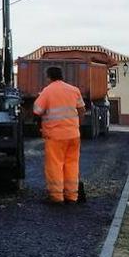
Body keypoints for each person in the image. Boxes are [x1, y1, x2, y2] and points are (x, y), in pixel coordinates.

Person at [32, 66, 87, 204]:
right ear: (62, 76)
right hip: (73, 135)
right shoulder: (74, 90)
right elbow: (82, 110)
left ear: (49, 77)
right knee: (72, 164)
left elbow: (37, 111)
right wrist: (77, 126)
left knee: (55, 164)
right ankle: (72, 196)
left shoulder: (47, 91)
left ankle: (57, 196)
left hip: (55, 136)